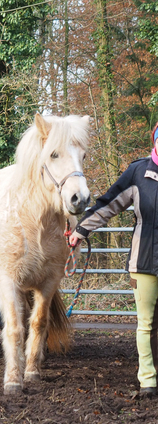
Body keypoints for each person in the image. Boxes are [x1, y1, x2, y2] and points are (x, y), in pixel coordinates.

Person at [69, 123, 158, 397]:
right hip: (144, 262)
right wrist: (81, 230)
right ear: (154, 140)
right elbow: (108, 204)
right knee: (146, 324)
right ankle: (148, 381)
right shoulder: (138, 172)